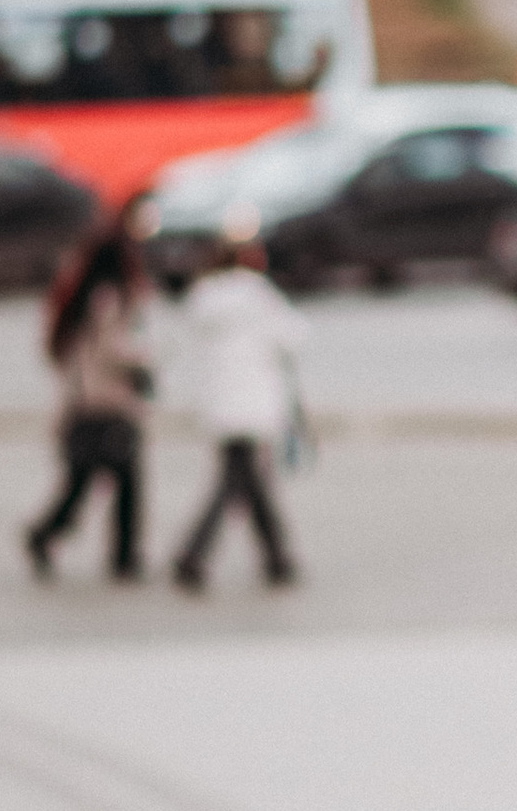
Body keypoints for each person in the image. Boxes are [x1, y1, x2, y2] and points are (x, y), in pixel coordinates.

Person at [171, 226, 306, 593]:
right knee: (237, 480)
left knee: (245, 479)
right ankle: (197, 554)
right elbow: (294, 337)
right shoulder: (258, 295)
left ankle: (275, 556)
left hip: (220, 404)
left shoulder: (202, 298)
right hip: (254, 404)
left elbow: (187, 349)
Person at [24, 218, 154, 582]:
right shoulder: (111, 297)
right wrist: (145, 360)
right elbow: (116, 349)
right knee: (126, 484)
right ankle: (123, 556)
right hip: (108, 404)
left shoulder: (82, 294)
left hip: (83, 404)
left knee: (80, 483)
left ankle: (45, 534)